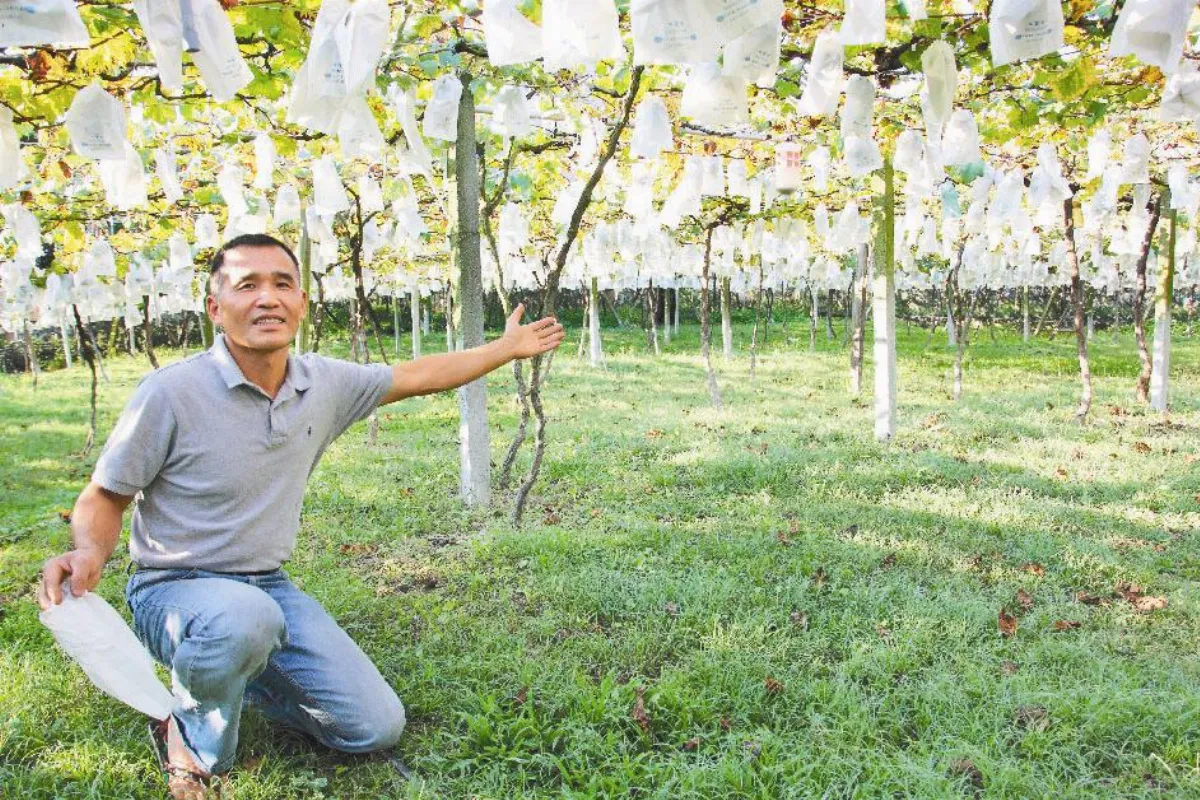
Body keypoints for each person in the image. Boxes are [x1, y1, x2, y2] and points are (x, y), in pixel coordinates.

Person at [36, 233, 565, 799]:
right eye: (247, 285)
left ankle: (237, 670)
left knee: (372, 728)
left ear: (303, 303)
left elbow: (417, 375)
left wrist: (505, 348)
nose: (268, 298)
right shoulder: (169, 393)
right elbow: (104, 495)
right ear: (216, 308)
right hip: (173, 586)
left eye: (282, 284)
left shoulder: (322, 383)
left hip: (268, 588)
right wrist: (90, 551)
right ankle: (187, 736)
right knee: (240, 621)